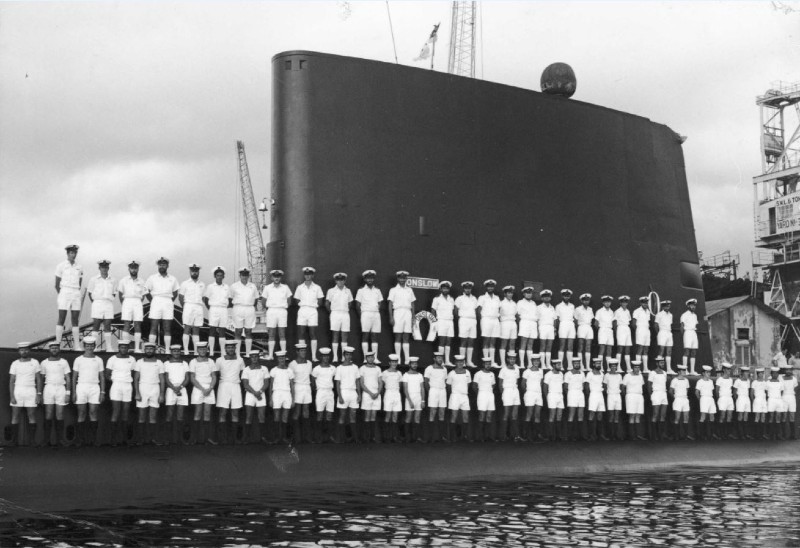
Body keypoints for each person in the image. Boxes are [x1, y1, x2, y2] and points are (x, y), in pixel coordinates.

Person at [72, 336, 106, 446]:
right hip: (81, 387)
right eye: (87, 345)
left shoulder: (99, 359)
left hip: (95, 388)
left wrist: (102, 392)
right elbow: (74, 377)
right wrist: (73, 392)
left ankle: (93, 439)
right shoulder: (78, 359)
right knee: (81, 413)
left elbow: (102, 377)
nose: (89, 347)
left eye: (91, 345)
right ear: (84, 346)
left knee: (93, 412)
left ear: (94, 346)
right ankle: (79, 440)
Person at [9, 342, 42, 446]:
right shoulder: (15, 363)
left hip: (31, 390)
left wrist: (39, 393)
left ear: (29, 350)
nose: (24, 351)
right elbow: (11, 381)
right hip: (18, 391)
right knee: (15, 416)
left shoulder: (35, 362)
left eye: (26, 349)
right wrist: (12, 396)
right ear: (19, 351)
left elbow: (39, 379)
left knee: (31, 415)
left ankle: (32, 441)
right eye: (22, 350)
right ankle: (14, 441)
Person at [133, 341, 164, 445]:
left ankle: (153, 439)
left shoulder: (159, 362)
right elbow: (136, 378)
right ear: (144, 350)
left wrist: (162, 394)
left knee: (153, 416)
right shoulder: (139, 362)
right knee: (141, 416)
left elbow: (162, 380)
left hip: (155, 388)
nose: (149, 351)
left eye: (151, 349)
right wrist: (137, 392)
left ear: (154, 350)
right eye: (147, 349)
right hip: (143, 388)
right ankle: (140, 439)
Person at [145, 257, 180, 350]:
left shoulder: (172, 278)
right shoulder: (152, 277)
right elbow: (146, 291)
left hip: (168, 301)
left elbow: (176, 292)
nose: (162, 266)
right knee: (154, 326)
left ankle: (167, 349)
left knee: (167, 327)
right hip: (156, 300)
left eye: (164, 264)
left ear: (167, 266)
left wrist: (170, 301)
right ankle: (151, 348)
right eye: (160, 264)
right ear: (158, 266)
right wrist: (152, 301)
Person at [106, 340, 136, 446]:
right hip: (116, 386)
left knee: (126, 412)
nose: (124, 349)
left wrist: (125, 380)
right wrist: (116, 380)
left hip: (127, 386)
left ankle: (124, 439)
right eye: (122, 347)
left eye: (125, 347)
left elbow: (132, 373)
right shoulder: (112, 359)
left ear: (128, 348)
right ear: (118, 348)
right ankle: (113, 439)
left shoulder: (132, 359)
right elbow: (107, 375)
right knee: (116, 411)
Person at [40, 341, 71, 446]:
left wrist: (68, 393)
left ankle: (60, 440)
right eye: (52, 348)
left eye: (56, 348)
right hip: (48, 388)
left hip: (61, 389)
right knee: (48, 414)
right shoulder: (44, 362)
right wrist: (39, 393)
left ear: (59, 349)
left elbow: (68, 378)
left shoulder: (64, 362)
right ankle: (46, 440)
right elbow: (41, 378)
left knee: (60, 414)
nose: (54, 350)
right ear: (49, 349)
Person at [215, 341, 245, 444]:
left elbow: (243, 375)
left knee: (235, 412)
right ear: (225, 349)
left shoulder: (240, 360)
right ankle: (222, 438)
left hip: (236, 386)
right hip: (223, 386)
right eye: (229, 348)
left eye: (232, 347)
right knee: (223, 411)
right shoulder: (219, 360)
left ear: (235, 349)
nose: (231, 349)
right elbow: (215, 375)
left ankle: (234, 439)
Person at [55, 244, 83, 349]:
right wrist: (62, 294)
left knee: (75, 319)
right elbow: (56, 284)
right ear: (67, 253)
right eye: (71, 253)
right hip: (65, 291)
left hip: (75, 292)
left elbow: (79, 282)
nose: (73, 255)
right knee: (62, 317)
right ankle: (57, 343)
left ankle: (76, 345)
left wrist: (75, 291)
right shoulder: (61, 266)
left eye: (75, 253)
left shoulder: (79, 267)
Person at [189, 342, 218, 444]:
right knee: (197, 413)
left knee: (207, 413)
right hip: (198, 389)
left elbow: (214, 376)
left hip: (209, 388)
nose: (202, 351)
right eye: (200, 349)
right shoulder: (193, 362)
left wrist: (210, 388)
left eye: (204, 349)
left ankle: (207, 439)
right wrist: (202, 389)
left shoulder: (211, 361)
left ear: (207, 350)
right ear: (197, 350)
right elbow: (192, 378)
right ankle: (194, 439)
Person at [261, 269, 292, 360]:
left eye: (278, 276)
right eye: (275, 276)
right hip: (271, 311)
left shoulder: (285, 287)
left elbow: (289, 300)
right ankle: (270, 355)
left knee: (282, 333)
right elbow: (263, 301)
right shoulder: (267, 288)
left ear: (281, 277)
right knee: (271, 333)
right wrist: (270, 308)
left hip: (282, 311)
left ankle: (283, 355)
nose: (276, 278)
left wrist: (283, 307)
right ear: (271, 277)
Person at [295, 267, 324, 360]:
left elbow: (320, 300)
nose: (308, 276)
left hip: (312, 311)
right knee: (301, 333)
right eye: (306, 274)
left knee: (313, 333)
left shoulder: (317, 287)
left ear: (312, 275)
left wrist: (314, 305)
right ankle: (301, 356)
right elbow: (296, 299)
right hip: (302, 310)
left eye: (309, 274)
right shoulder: (300, 287)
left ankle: (314, 356)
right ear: (304, 275)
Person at [118, 260, 147, 352]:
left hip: (137, 301)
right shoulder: (123, 280)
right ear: (129, 269)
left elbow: (143, 295)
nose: (133, 270)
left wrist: (138, 302)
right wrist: (125, 303)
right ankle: (125, 347)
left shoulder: (142, 281)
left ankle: (137, 348)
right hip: (127, 301)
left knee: (137, 324)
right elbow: (120, 293)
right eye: (132, 268)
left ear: (138, 269)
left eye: (135, 268)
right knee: (126, 324)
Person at [164, 345, 191, 444]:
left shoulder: (185, 363)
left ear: (180, 352)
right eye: (174, 351)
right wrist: (173, 388)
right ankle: (168, 438)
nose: (176, 353)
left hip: (182, 389)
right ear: (171, 352)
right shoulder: (166, 363)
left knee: (180, 415)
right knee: (169, 414)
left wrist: (180, 387)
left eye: (178, 351)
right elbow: (166, 378)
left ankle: (180, 438)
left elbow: (187, 378)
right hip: (171, 389)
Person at [87, 259, 117, 351]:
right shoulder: (93, 279)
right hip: (97, 302)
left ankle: (108, 347)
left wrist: (107, 298)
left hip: (108, 303)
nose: (104, 269)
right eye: (102, 267)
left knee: (107, 324)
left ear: (108, 268)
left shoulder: (113, 280)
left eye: (106, 267)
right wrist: (96, 302)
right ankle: (95, 346)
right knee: (96, 324)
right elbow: (90, 293)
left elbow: (114, 292)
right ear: (99, 268)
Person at [388, 271, 416, 364]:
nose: (402, 280)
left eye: (404, 278)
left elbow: (412, 303)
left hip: (407, 313)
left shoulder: (409, 290)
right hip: (398, 312)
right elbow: (390, 304)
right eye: (400, 278)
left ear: (406, 279)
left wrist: (413, 317)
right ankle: (398, 358)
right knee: (398, 336)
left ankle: (407, 359)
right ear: (397, 279)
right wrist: (391, 317)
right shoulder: (393, 290)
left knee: (406, 336)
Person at [230, 268, 260, 357]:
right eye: (243, 275)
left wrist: (250, 306)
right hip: (238, 308)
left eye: (246, 275)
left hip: (249, 308)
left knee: (248, 331)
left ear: (248, 276)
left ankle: (248, 353)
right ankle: (237, 354)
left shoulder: (253, 286)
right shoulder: (234, 286)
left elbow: (256, 298)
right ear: (240, 276)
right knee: (238, 331)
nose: (244, 277)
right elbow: (230, 299)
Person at [334, 346, 362, 442]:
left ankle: (355, 438)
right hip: (344, 392)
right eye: (347, 354)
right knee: (342, 415)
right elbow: (337, 383)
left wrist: (359, 395)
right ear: (344, 355)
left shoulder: (355, 367)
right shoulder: (339, 368)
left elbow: (358, 381)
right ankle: (340, 438)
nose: (348, 356)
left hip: (353, 393)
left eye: (350, 354)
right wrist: (340, 396)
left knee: (353, 415)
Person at [355, 270, 383, 363]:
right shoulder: (361, 290)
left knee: (374, 336)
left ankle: (375, 358)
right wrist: (362, 315)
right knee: (365, 335)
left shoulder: (377, 290)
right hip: (365, 313)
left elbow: (380, 303)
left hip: (375, 314)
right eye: (368, 278)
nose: (370, 280)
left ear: (373, 279)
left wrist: (376, 309)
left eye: (371, 278)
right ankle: (365, 358)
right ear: (365, 279)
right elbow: (357, 305)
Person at [203, 266, 231, 357]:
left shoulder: (226, 287)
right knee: (212, 330)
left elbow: (229, 299)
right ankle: (211, 351)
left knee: (222, 330)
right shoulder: (210, 287)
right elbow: (205, 299)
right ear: (215, 276)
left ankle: (223, 352)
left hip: (223, 309)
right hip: (214, 308)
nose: (219, 277)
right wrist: (210, 308)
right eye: (218, 275)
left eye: (221, 275)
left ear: (223, 276)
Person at [241, 351, 268, 443]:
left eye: (256, 356)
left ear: (258, 357)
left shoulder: (264, 368)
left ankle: (263, 437)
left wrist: (259, 392)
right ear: (250, 358)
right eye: (252, 357)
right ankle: (246, 438)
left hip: (261, 394)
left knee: (262, 416)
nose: (254, 358)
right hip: (250, 394)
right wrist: (255, 393)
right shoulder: (246, 369)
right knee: (248, 416)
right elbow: (245, 384)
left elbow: (266, 383)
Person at [289, 343, 314, 443]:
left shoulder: (309, 363)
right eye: (301, 351)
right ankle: (296, 437)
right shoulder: (292, 364)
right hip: (297, 387)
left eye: (304, 351)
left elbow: (310, 377)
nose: (303, 352)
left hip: (307, 388)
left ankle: (306, 437)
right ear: (297, 352)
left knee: (306, 412)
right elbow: (290, 380)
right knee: (297, 412)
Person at [326, 272, 353, 363]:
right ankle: (335, 357)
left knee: (344, 336)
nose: (340, 282)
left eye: (342, 280)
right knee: (335, 335)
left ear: (345, 280)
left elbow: (350, 303)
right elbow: (327, 303)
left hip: (345, 314)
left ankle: (343, 357)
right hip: (335, 313)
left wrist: (344, 310)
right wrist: (333, 312)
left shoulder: (348, 291)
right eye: (338, 280)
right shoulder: (331, 291)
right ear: (335, 281)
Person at [179, 264, 206, 355]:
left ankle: (195, 351)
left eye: (196, 271)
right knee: (187, 328)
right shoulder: (185, 283)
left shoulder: (202, 284)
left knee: (196, 329)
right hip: (188, 305)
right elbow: (181, 297)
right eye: (193, 271)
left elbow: (203, 297)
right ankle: (186, 351)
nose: (194, 272)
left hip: (198, 306)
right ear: (190, 272)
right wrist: (185, 307)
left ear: (198, 272)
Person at [311, 348, 336, 442]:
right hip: (320, 392)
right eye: (324, 356)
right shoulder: (316, 369)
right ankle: (319, 437)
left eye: (327, 356)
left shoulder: (333, 368)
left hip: (330, 392)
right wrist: (316, 390)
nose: (326, 358)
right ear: (321, 357)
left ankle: (328, 437)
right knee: (320, 415)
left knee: (329, 415)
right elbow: (312, 381)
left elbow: (335, 379)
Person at [270, 351, 295, 443]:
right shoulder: (273, 370)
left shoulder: (289, 370)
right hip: (276, 393)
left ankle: (284, 438)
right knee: (276, 416)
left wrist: (293, 399)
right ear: (277, 359)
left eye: (283, 358)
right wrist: (270, 399)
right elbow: (271, 385)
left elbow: (292, 386)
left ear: (285, 358)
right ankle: (276, 438)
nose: (281, 360)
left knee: (285, 417)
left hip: (287, 394)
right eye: (280, 358)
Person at [446, 355, 472, 441]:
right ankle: (453, 437)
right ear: (455, 363)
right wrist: (454, 394)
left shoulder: (467, 372)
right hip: (455, 396)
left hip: (464, 396)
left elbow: (468, 384)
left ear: (464, 362)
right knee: (454, 415)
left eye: (462, 362)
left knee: (465, 416)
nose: (460, 363)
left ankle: (464, 436)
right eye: (458, 362)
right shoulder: (451, 373)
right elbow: (448, 386)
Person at [424, 351, 449, 441]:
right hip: (433, 390)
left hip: (442, 391)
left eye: (441, 357)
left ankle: (441, 436)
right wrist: (430, 391)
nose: (440, 359)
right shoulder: (429, 368)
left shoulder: (444, 369)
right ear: (434, 359)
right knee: (432, 412)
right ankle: (431, 437)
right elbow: (426, 382)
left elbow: (445, 380)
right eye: (438, 358)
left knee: (442, 412)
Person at [359, 350, 383, 442]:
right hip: (367, 394)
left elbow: (380, 382)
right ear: (366, 358)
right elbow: (361, 383)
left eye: (372, 357)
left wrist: (378, 392)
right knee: (367, 416)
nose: (371, 358)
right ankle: (366, 437)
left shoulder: (378, 369)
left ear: (374, 358)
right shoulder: (362, 368)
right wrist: (370, 393)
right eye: (369, 357)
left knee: (373, 416)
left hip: (376, 394)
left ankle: (372, 437)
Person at [498, 352, 522, 441]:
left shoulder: (517, 369)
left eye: (514, 359)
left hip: (515, 391)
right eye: (510, 359)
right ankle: (503, 436)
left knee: (514, 415)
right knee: (506, 414)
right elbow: (500, 384)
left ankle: (516, 436)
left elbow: (517, 381)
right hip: (506, 391)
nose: (512, 360)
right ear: (507, 359)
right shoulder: (503, 370)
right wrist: (504, 394)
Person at [454, 281, 479, 367]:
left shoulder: (474, 298)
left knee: (471, 341)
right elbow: (456, 311)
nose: (467, 290)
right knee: (463, 341)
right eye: (466, 288)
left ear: (471, 289)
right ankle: (462, 361)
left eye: (469, 288)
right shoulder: (459, 298)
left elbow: (476, 311)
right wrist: (461, 319)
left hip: (472, 321)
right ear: (463, 289)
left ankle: (469, 361)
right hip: (463, 320)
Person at [431, 281, 456, 365]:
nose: (445, 289)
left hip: (450, 321)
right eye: (444, 288)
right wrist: (434, 323)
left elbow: (453, 311)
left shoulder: (451, 299)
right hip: (441, 321)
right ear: (440, 289)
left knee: (448, 341)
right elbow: (433, 311)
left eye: (447, 288)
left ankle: (447, 361)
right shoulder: (436, 298)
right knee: (442, 341)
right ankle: (440, 361)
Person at [477, 280, 501, 364]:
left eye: (492, 286)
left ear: (494, 287)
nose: (490, 288)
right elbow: (479, 310)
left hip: (495, 320)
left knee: (493, 341)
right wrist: (482, 321)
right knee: (486, 340)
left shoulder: (497, 298)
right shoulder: (482, 297)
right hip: (486, 320)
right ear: (486, 287)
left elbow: (498, 309)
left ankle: (492, 361)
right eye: (489, 286)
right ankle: (486, 361)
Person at [402, 357, 426, 442]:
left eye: (416, 363)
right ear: (409, 365)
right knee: (408, 417)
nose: (414, 365)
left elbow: (422, 388)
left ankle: (416, 437)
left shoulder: (420, 375)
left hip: (418, 398)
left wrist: (423, 400)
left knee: (417, 418)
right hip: (409, 398)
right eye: (413, 363)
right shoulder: (405, 375)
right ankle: (407, 438)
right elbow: (405, 389)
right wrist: (409, 401)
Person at [521, 355, 545, 441]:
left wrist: (537, 391)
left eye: (538, 361)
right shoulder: (527, 371)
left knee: (537, 415)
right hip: (530, 394)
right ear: (531, 361)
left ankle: (537, 435)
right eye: (535, 361)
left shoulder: (541, 371)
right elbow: (523, 385)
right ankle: (525, 435)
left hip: (538, 394)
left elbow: (541, 383)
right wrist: (528, 392)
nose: (536, 362)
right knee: (529, 414)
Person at [473, 358, 497, 442]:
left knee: (489, 416)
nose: (488, 365)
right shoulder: (478, 374)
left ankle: (488, 436)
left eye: (489, 364)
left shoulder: (492, 374)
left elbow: (493, 385)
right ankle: (481, 436)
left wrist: (489, 391)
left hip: (490, 394)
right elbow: (474, 386)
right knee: (482, 415)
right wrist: (480, 394)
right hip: (482, 394)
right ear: (483, 364)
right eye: (486, 364)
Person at [621, 360, 646, 440]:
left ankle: (638, 434)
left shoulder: (640, 376)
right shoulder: (627, 376)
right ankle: (632, 435)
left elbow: (642, 386)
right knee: (632, 415)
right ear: (632, 368)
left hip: (639, 396)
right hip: (630, 396)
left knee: (638, 415)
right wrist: (627, 396)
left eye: (638, 367)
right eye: (635, 367)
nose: (637, 369)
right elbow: (623, 387)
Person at [382, 355, 404, 442]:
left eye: (395, 362)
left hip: (396, 393)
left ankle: (394, 437)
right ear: (389, 363)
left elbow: (400, 386)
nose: (394, 363)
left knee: (395, 416)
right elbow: (382, 385)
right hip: (388, 393)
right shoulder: (385, 373)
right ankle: (386, 437)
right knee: (388, 415)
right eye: (392, 362)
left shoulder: (399, 373)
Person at [564, 357, 586, 441]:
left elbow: (583, 384)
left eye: (578, 363)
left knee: (581, 414)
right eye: (575, 363)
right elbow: (565, 387)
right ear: (572, 364)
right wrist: (570, 394)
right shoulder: (568, 374)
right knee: (571, 414)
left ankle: (579, 435)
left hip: (580, 393)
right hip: (572, 393)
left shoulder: (582, 373)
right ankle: (570, 435)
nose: (577, 365)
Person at [517, 287, 540, 369]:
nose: (529, 294)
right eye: (527, 293)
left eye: (530, 293)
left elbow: (536, 315)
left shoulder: (534, 303)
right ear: (523, 294)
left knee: (530, 344)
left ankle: (530, 364)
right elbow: (518, 315)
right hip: (524, 322)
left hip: (533, 324)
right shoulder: (520, 302)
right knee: (523, 343)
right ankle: (522, 363)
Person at [586, 357, 607, 441]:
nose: (598, 365)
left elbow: (603, 384)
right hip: (593, 394)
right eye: (597, 363)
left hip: (600, 395)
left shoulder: (602, 373)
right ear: (593, 364)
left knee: (600, 414)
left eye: (599, 363)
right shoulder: (590, 374)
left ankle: (600, 435)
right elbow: (586, 386)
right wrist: (589, 396)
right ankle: (591, 435)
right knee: (591, 414)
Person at [648, 356, 669, 440]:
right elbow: (649, 385)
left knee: (663, 415)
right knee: (655, 414)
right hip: (656, 394)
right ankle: (654, 435)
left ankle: (661, 434)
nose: (662, 364)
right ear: (657, 363)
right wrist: (651, 395)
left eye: (663, 362)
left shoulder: (664, 373)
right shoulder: (652, 373)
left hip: (663, 394)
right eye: (661, 362)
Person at [543, 358, 564, 440]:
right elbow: (545, 387)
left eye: (560, 364)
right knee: (552, 415)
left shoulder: (561, 374)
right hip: (551, 395)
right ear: (554, 365)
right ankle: (550, 435)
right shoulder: (548, 374)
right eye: (558, 365)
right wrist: (547, 397)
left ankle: (558, 435)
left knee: (559, 415)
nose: (560, 366)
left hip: (560, 395)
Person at [670, 364, 693, 440]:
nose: (684, 372)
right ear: (679, 371)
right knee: (677, 417)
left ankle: (685, 435)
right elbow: (670, 391)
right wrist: (676, 398)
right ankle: (676, 436)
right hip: (678, 399)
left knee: (686, 417)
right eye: (683, 370)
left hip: (685, 399)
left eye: (685, 370)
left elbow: (687, 390)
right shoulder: (674, 380)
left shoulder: (686, 380)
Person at [695, 365, 717, 440]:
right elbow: (696, 392)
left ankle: (710, 434)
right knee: (703, 417)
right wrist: (700, 400)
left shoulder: (711, 381)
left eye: (709, 372)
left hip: (710, 398)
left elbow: (712, 391)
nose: (709, 374)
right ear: (703, 373)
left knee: (712, 416)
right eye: (707, 372)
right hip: (703, 398)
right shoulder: (700, 381)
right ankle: (701, 435)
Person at [555, 289, 576, 367]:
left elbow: (574, 317)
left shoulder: (572, 306)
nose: (566, 297)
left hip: (571, 325)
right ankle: (560, 365)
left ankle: (570, 365)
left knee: (570, 346)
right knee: (562, 345)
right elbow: (557, 319)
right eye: (565, 295)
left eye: (568, 296)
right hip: (563, 324)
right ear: (562, 296)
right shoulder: (558, 306)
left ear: (570, 296)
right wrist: (556, 329)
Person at [498, 286, 518, 367]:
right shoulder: (501, 303)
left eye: (511, 293)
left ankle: (511, 363)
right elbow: (498, 314)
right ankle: (503, 362)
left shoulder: (514, 303)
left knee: (512, 343)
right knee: (504, 343)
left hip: (513, 323)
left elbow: (516, 314)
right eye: (508, 293)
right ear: (505, 294)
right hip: (504, 323)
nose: (510, 294)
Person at [603, 358, 623, 439]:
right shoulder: (607, 375)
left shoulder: (619, 375)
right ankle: (610, 435)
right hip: (610, 396)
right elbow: (604, 386)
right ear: (610, 367)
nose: (614, 367)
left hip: (617, 396)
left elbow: (621, 386)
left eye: (615, 366)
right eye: (612, 366)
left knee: (617, 415)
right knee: (611, 415)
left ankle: (616, 434)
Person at [537, 290, 557, 370]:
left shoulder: (552, 308)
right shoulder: (539, 307)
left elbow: (555, 319)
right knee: (543, 346)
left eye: (548, 296)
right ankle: (542, 364)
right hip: (542, 327)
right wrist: (538, 330)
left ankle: (548, 364)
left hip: (551, 328)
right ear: (542, 298)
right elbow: (537, 319)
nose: (547, 298)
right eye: (545, 296)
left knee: (549, 347)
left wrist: (555, 330)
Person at [575, 293, 594, 372]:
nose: (586, 302)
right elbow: (575, 321)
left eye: (588, 300)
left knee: (588, 347)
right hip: (581, 327)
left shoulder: (590, 309)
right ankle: (581, 365)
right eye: (584, 300)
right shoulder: (578, 309)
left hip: (588, 327)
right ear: (582, 301)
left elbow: (592, 319)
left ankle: (587, 365)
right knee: (581, 346)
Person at [595, 295, 615, 371]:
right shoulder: (599, 311)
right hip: (602, 330)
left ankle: (608, 368)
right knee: (602, 349)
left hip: (609, 330)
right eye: (606, 302)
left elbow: (613, 323)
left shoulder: (611, 312)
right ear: (603, 302)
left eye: (609, 302)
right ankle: (601, 367)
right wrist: (601, 330)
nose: (607, 303)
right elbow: (596, 324)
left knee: (609, 349)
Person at [715, 362, 735, 439]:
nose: (729, 370)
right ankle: (720, 434)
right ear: (724, 370)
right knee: (722, 416)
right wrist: (719, 400)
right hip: (722, 398)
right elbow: (716, 391)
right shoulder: (719, 379)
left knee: (729, 415)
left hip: (729, 398)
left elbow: (731, 390)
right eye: (727, 369)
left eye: (729, 369)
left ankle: (728, 433)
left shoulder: (730, 380)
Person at [655, 300, 675, 374]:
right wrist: (659, 333)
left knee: (669, 351)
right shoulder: (659, 314)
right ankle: (658, 368)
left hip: (669, 333)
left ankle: (669, 369)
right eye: (666, 306)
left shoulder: (670, 315)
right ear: (663, 306)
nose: (667, 307)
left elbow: (670, 324)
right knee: (661, 350)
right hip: (662, 332)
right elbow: (656, 325)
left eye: (668, 305)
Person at [632, 296, 652, 372]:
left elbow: (648, 322)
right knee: (640, 348)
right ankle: (638, 368)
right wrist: (638, 331)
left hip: (647, 331)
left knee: (646, 349)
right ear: (641, 303)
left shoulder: (648, 311)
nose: (645, 304)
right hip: (640, 330)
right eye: (644, 302)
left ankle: (645, 368)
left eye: (646, 302)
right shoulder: (637, 311)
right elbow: (634, 324)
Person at [681, 299, 700, 375]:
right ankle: (685, 370)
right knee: (687, 351)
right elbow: (682, 327)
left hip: (693, 333)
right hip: (687, 332)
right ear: (688, 305)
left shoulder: (695, 315)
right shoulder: (684, 315)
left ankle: (692, 370)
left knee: (694, 352)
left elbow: (696, 325)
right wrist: (684, 336)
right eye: (692, 305)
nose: (693, 306)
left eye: (694, 305)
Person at [614, 296, 633, 372]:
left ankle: (628, 368)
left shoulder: (628, 311)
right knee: (620, 348)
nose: (624, 303)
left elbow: (629, 321)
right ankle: (618, 367)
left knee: (627, 348)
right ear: (620, 303)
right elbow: (614, 323)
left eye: (626, 302)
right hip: (620, 328)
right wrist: (617, 332)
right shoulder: (617, 311)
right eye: (623, 302)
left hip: (627, 329)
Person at [733, 366, 752, 440]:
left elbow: (748, 390)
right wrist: (738, 400)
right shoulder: (737, 381)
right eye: (746, 372)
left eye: (748, 372)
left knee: (746, 416)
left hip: (746, 398)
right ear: (743, 373)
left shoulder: (748, 381)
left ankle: (745, 433)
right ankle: (740, 434)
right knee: (740, 416)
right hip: (740, 398)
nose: (747, 374)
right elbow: (734, 392)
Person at [766, 366, 785, 439]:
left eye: (777, 373)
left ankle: (777, 435)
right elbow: (766, 391)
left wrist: (778, 398)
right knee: (771, 416)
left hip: (779, 400)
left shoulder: (780, 382)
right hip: (771, 400)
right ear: (771, 374)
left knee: (778, 417)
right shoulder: (768, 382)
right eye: (774, 373)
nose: (775, 375)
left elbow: (782, 391)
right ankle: (771, 434)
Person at [751, 367, 768, 439]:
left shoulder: (765, 382)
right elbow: (751, 393)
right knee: (757, 416)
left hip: (763, 400)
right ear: (757, 374)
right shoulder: (754, 382)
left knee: (763, 416)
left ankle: (762, 434)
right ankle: (756, 434)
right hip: (757, 400)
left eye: (762, 373)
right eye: (760, 373)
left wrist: (766, 400)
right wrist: (753, 402)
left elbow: (766, 392)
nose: (761, 375)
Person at [781, 365, 798, 439]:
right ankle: (784, 435)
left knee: (792, 416)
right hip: (784, 397)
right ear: (785, 370)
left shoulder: (794, 379)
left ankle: (792, 435)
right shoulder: (781, 378)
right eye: (787, 370)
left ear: (791, 371)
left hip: (791, 397)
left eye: (790, 370)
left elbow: (795, 388)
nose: (788, 371)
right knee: (784, 416)